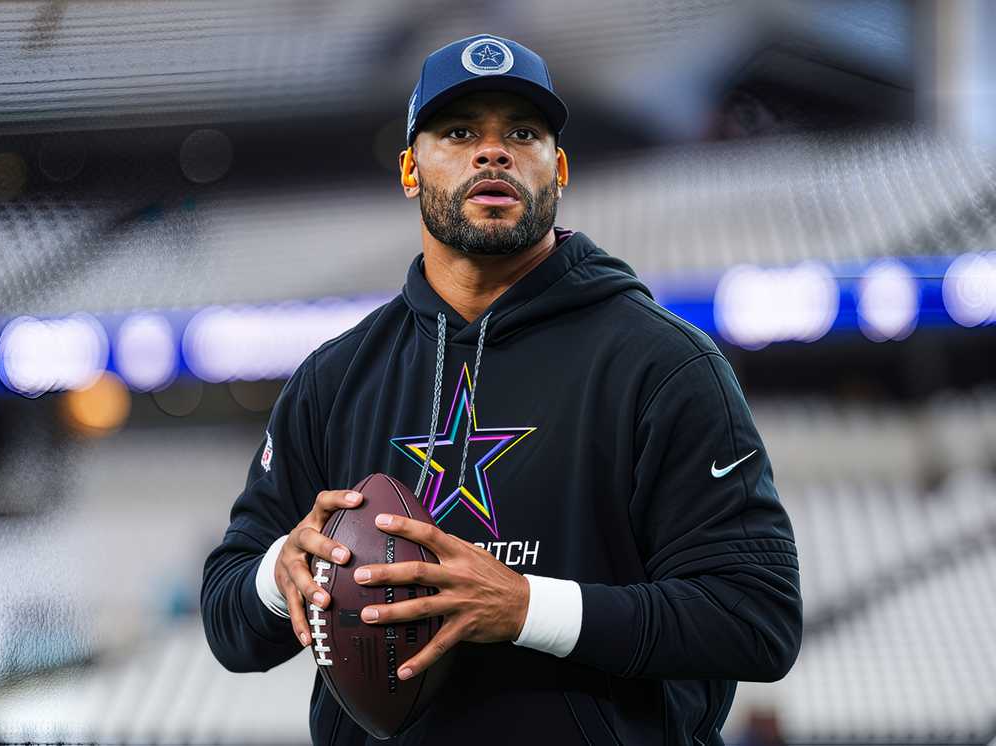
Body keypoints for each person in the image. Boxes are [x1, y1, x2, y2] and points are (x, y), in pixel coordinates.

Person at [202, 33, 802, 745]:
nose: (494, 152)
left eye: (523, 133)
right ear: (409, 169)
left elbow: (756, 618)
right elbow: (230, 622)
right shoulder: (334, 380)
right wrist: (282, 574)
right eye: (459, 133)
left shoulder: (663, 365)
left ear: (559, 168)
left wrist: (524, 609)